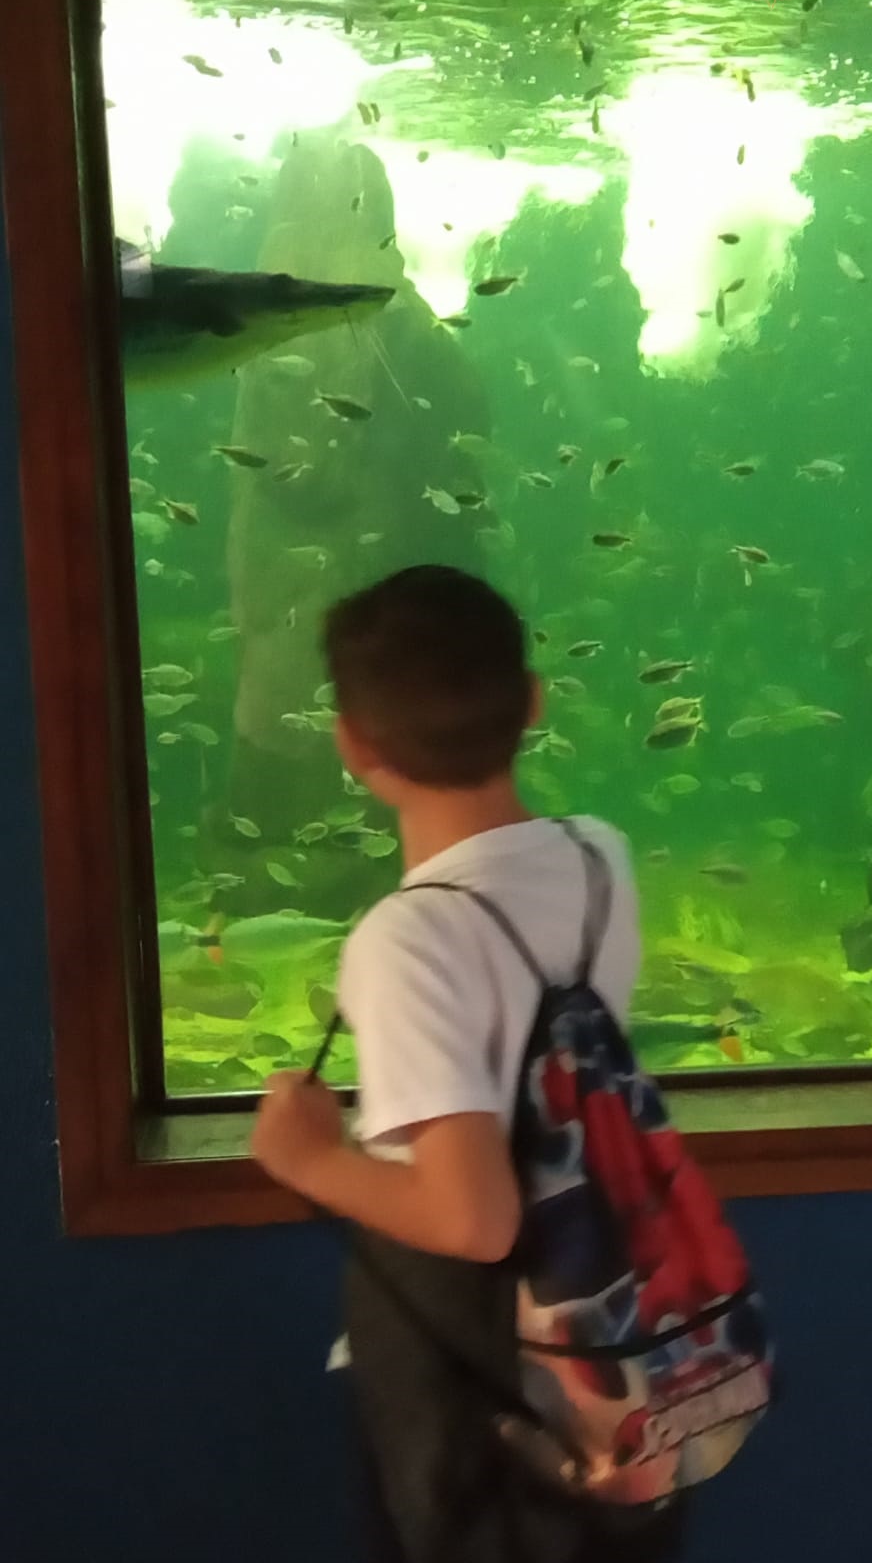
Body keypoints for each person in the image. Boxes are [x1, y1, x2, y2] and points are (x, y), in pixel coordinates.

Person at [251, 565, 688, 1563]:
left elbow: (472, 1220)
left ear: (353, 745)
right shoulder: (599, 856)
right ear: (534, 702)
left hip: (477, 1382)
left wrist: (307, 1156)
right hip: (610, 1333)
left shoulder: (407, 940)